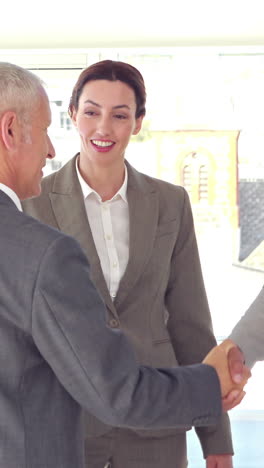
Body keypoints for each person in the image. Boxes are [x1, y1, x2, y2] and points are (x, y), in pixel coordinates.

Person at [0, 61, 248, 468]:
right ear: (73, 115)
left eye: (120, 115)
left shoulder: (170, 203)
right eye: (92, 112)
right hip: (71, 421)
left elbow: (189, 321)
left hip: (157, 428)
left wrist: (215, 438)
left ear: (137, 123)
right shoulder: (27, 200)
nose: (104, 128)